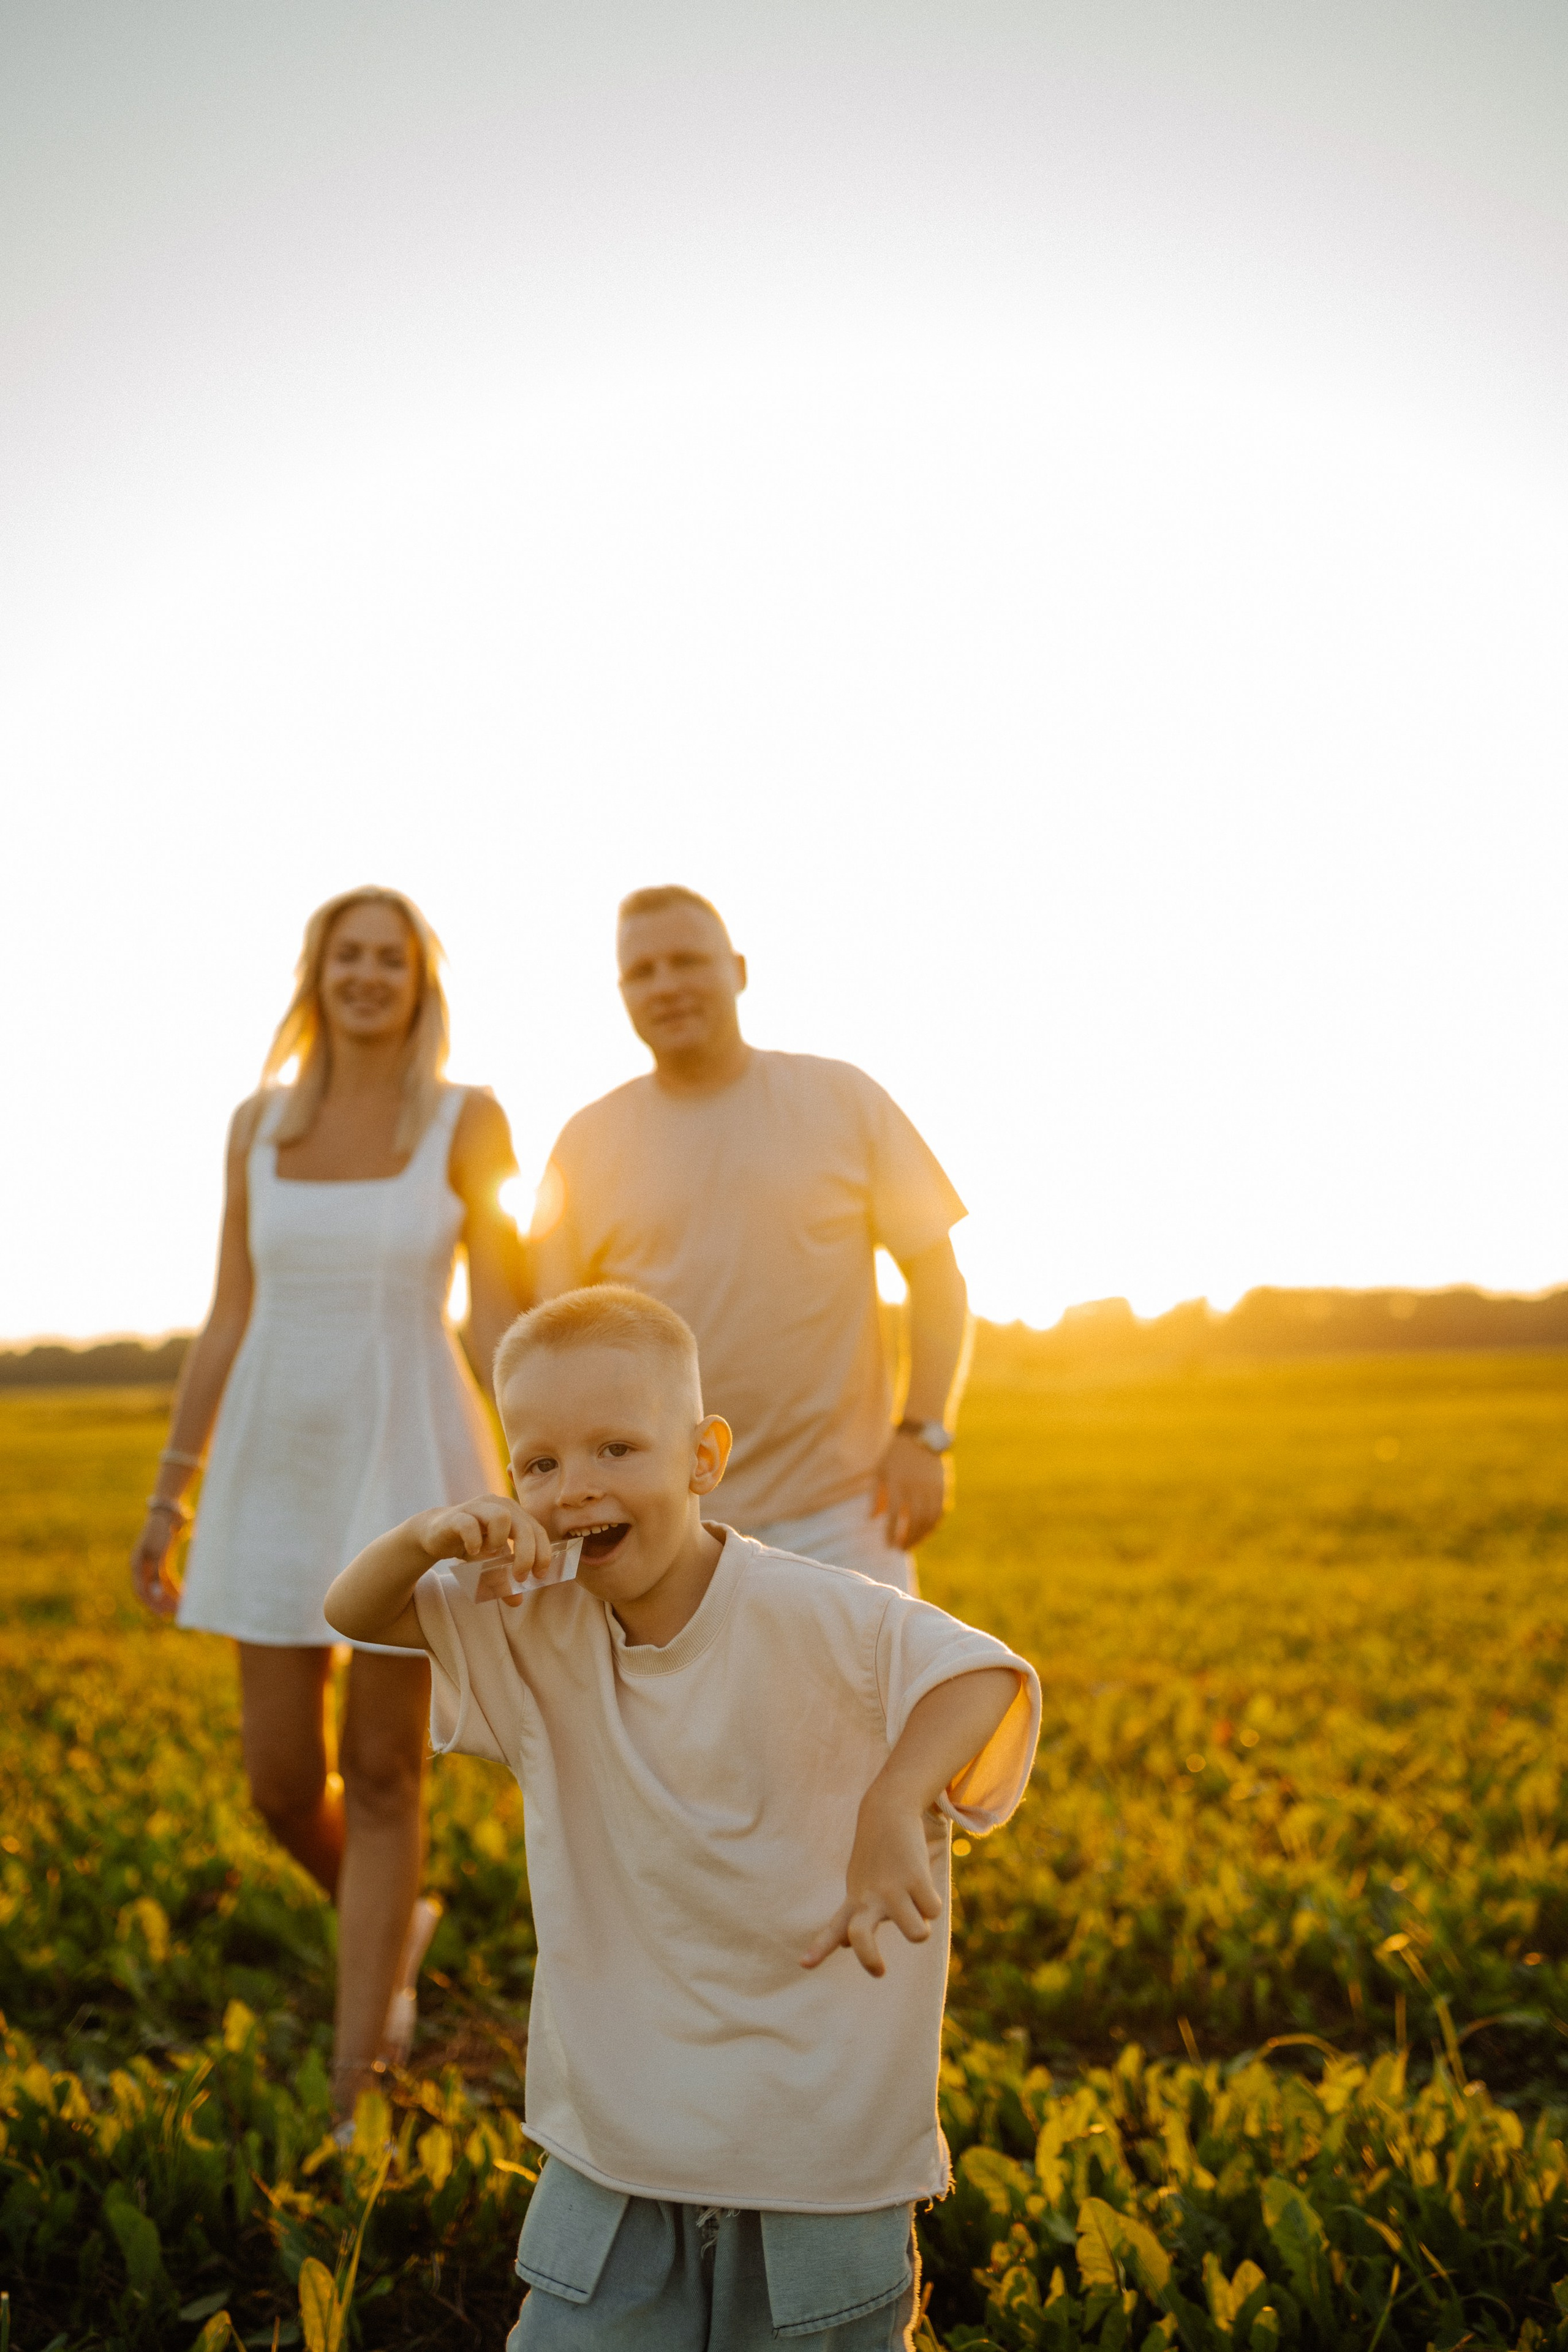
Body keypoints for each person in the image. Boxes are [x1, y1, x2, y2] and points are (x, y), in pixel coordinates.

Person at [324, 1285, 1039, 2351]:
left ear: (704, 1458)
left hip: (820, 2153)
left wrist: (894, 1799)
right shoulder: (533, 1628)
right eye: (541, 1464)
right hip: (619, 2148)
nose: (576, 1490)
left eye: (617, 1449)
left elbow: (981, 1678)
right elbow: (355, 1611)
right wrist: (430, 1536)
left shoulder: (810, 1609)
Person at [130, 886, 521, 2125]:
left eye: (390, 959)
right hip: (273, 1463)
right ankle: (393, 1918)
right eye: (346, 956)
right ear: (316, 974)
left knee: (385, 1768)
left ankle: (366, 2079)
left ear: (418, 981)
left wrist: (545, 1474)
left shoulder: (467, 1118)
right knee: (281, 1783)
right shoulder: (258, 1122)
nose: (367, 977)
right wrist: (169, 1499)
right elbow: (229, 1309)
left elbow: (503, 1304)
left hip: (410, 1455)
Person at [529, 885, 970, 1594]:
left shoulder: (844, 1099)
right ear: (622, 993)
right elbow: (555, 1347)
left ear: (737, 969)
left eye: (687, 961)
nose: (666, 986)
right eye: (643, 972)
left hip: (844, 1514)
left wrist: (923, 1434)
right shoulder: (583, 1143)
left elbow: (936, 1273)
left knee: (863, 1708)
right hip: (663, 1525)